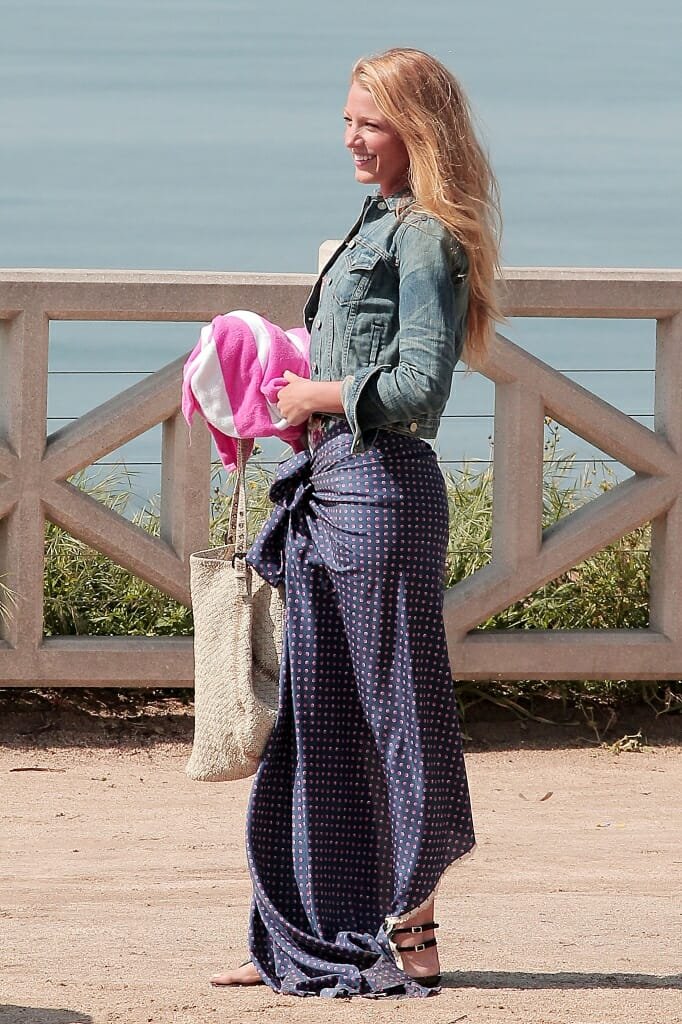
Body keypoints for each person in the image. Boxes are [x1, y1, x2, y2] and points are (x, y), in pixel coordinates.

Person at [210, 46, 502, 999]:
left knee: (395, 714)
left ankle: (413, 921)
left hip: (381, 493)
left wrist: (314, 392)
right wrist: (273, 369)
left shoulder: (425, 237)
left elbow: (419, 385)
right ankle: (303, 933)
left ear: (419, 130)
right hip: (331, 482)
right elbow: (353, 354)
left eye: (370, 123)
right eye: (347, 120)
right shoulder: (373, 222)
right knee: (319, 717)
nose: (351, 138)